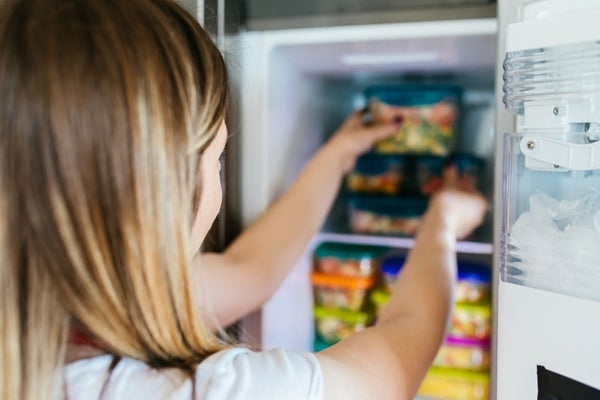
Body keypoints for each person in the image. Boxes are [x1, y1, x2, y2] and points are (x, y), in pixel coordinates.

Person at [0, 0, 487, 399]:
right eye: (218, 158)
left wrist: (337, 155)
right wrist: (441, 223)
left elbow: (250, 270)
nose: (219, 173)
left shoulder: (49, 319)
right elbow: (400, 356)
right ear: (164, 194)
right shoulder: (212, 390)